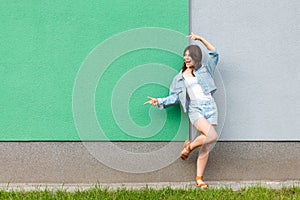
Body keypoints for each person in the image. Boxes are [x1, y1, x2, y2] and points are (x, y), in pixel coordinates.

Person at [144, 32, 219, 189]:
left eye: (189, 55)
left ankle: (199, 178)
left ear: (196, 57)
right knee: (211, 136)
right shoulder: (179, 78)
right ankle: (189, 148)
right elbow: (175, 97)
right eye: (185, 55)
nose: (186, 58)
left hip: (211, 107)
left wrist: (200, 39)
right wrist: (159, 101)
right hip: (196, 109)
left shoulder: (205, 70)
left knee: (206, 145)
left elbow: (214, 53)